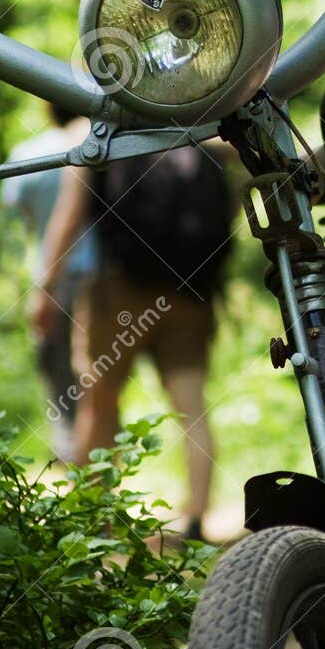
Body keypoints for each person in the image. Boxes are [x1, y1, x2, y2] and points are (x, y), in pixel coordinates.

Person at [30, 145, 233, 542]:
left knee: (98, 400)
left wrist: (45, 289)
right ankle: (195, 517)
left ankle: (93, 516)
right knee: (191, 405)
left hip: (119, 288)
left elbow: (69, 215)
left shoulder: (106, 135)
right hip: (191, 291)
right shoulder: (201, 132)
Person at [1, 104, 93, 463]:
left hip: (49, 276)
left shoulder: (25, 155)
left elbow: (21, 218)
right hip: (98, 273)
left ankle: (70, 449)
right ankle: (98, 456)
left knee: (57, 367)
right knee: (96, 369)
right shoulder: (103, 146)